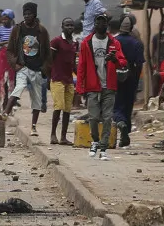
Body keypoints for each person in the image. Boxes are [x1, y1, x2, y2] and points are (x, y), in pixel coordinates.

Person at [77, 12, 126, 160]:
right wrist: (80, 88)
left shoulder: (114, 43)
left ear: (107, 25)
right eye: (98, 22)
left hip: (109, 86)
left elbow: (123, 62)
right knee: (93, 118)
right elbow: (82, 67)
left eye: (104, 22)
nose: (101, 24)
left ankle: (103, 148)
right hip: (93, 86)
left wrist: (115, 59)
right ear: (94, 24)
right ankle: (95, 141)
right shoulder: (87, 43)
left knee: (107, 118)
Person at [4, 2, 50, 136]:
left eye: (29, 14)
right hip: (23, 67)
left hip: (37, 69)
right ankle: (5, 113)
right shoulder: (18, 29)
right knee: (19, 87)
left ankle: (33, 127)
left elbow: (47, 52)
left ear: (34, 15)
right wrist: (15, 65)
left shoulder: (41, 31)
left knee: (36, 99)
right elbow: (10, 50)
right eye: (25, 14)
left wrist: (44, 69)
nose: (27, 16)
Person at [112, 16, 145, 147]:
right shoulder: (137, 43)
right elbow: (139, 64)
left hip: (115, 78)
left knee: (116, 104)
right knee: (128, 105)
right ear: (131, 28)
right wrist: (135, 80)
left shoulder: (114, 41)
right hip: (131, 78)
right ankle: (125, 135)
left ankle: (120, 122)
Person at [48, 17, 78, 145]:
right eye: (67, 25)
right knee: (58, 107)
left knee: (67, 109)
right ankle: (53, 135)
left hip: (69, 80)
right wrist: (49, 78)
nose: (70, 27)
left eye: (71, 25)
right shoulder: (56, 41)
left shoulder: (75, 43)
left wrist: (80, 76)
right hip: (57, 79)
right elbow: (49, 61)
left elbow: (73, 63)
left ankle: (63, 137)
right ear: (62, 27)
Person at [0, 9, 16, 108]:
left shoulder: (15, 29)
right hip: (2, 55)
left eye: (6, 19)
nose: (4, 20)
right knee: (1, 78)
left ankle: (11, 102)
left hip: (12, 55)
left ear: (11, 19)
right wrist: (6, 42)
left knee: (12, 79)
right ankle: (1, 101)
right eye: (3, 19)